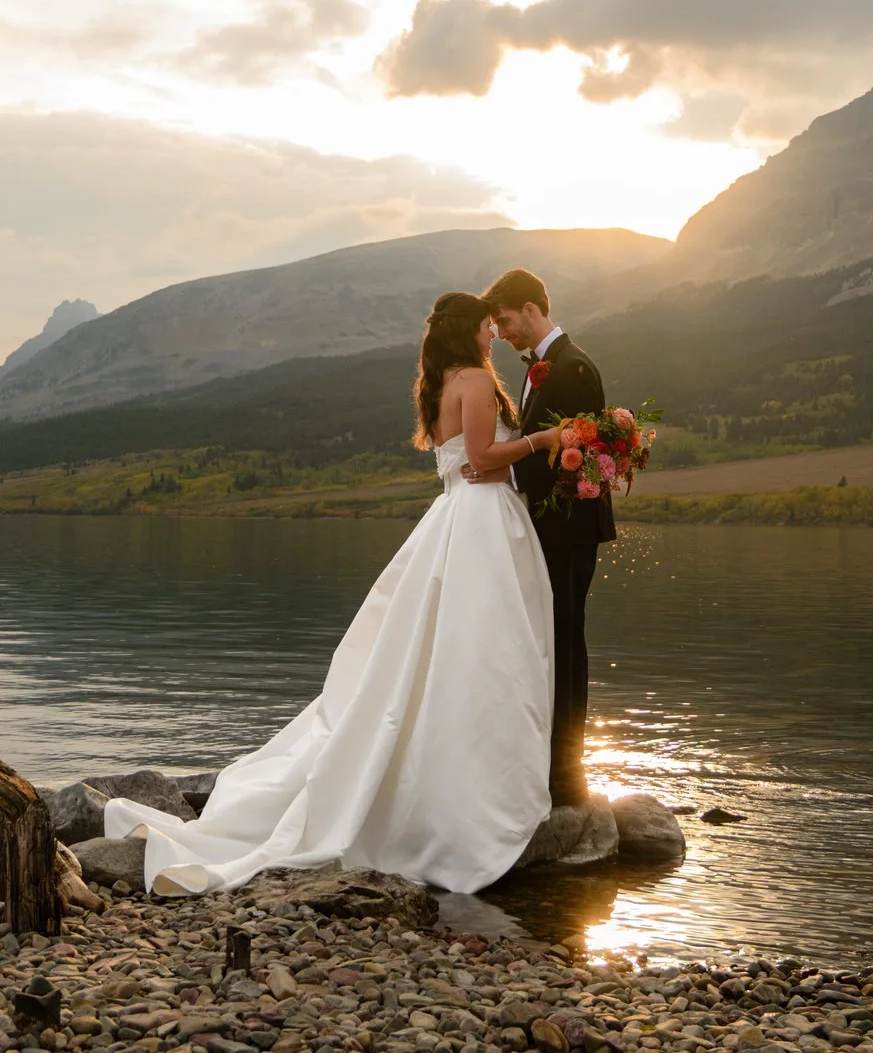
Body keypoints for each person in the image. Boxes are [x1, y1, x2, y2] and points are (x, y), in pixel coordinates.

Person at [100, 291, 566, 894]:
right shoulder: (475, 379)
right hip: (480, 521)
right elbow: (481, 456)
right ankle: (468, 797)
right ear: (468, 330)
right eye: (486, 324)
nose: (493, 332)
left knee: (445, 655)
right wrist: (545, 440)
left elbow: (466, 462)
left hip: (461, 513)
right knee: (482, 652)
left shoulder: (444, 380)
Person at [483, 267, 610, 806]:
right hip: (552, 528)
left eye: (507, 322)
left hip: (570, 529)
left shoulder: (574, 368)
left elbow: (571, 457)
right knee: (552, 639)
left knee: (565, 640)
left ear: (532, 310)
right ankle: (554, 764)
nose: (504, 333)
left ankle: (568, 772)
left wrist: (502, 475)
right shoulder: (548, 367)